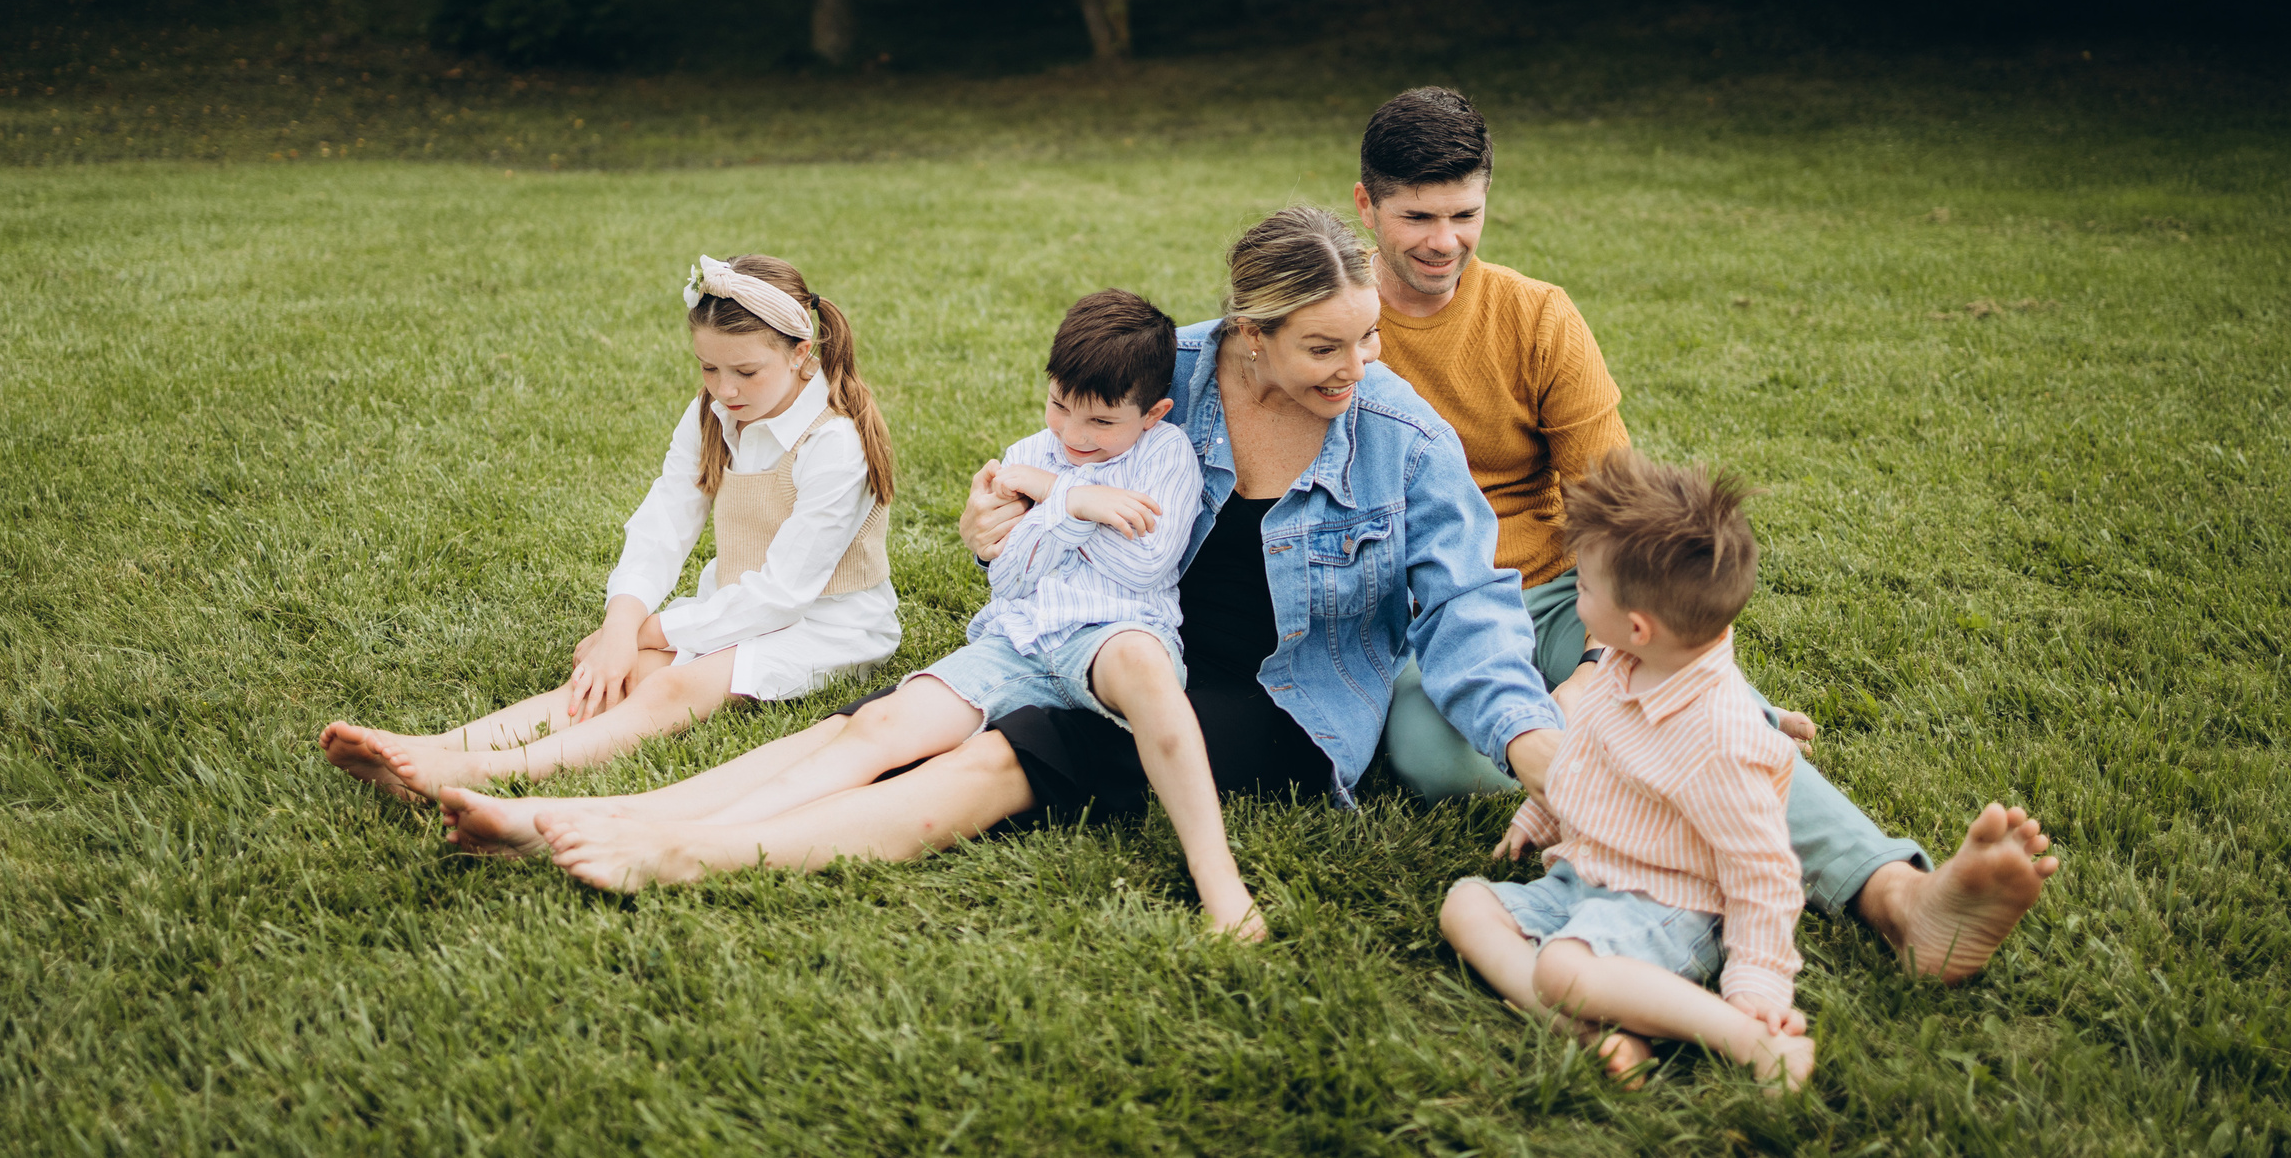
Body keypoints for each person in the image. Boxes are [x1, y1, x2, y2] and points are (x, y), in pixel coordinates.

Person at [436, 208, 1568, 891]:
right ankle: (589, 815)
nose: (1359, 365)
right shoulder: (1163, 372)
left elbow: (1472, 616)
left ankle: (681, 854)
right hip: (1099, 636)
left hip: (1275, 701)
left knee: (990, 763)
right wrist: (995, 528)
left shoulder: (1401, 439)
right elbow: (1043, 475)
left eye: (1369, 337)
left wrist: (1548, 769)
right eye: (1327, 345)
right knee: (874, 724)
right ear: (1248, 336)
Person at [1356, 85, 2057, 981]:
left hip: (1568, 592)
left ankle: (1896, 895)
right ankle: (1719, 755)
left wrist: (1588, 674)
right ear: (1366, 205)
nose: (1443, 241)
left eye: (1466, 213)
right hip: (1425, 619)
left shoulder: (1536, 315)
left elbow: (1617, 512)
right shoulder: (1340, 327)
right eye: (1418, 215)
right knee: (1428, 757)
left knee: (1675, 703)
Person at [684, 290, 1266, 939]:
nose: (1073, 435)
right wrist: (1081, 502)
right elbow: (1011, 573)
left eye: (1101, 423)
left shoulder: (1166, 456)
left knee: (1148, 674)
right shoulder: (1026, 457)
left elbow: (1144, 567)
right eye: (1059, 406)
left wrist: (1056, 502)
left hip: (1112, 633)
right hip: (1016, 638)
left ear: (1153, 412)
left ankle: (1217, 876)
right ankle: (716, 830)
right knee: (882, 720)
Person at [317, 252, 901, 797]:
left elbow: (784, 595)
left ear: (801, 353)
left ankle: (478, 771)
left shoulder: (834, 443)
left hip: (828, 625)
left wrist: (656, 631)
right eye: (708, 367)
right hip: (740, 607)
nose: (724, 389)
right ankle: (439, 748)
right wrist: (622, 625)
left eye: (746, 371)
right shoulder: (717, 412)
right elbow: (663, 522)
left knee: (670, 685)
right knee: (617, 673)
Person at [1441, 450, 1812, 1091]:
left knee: (1561, 968)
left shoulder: (1720, 736)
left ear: (1638, 625)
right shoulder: (1620, 663)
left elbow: (1764, 873)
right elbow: (1587, 755)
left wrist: (1758, 982)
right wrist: (1542, 812)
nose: (1574, 596)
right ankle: (1593, 1033)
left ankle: (1748, 1040)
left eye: (1581, 587)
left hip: (1670, 909)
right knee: (1466, 906)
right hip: (1588, 880)